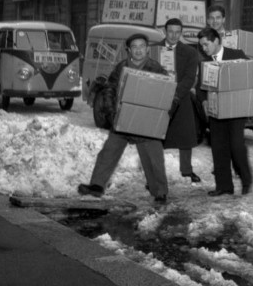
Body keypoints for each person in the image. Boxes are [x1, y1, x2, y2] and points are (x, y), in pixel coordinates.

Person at [78, 33, 170, 203]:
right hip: (123, 118)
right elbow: (110, 90)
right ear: (128, 50)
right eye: (134, 47)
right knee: (109, 151)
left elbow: (166, 91)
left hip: (146, 120)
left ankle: (160, 192)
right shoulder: (121, 67)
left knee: (153, 157)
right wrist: (113, 114)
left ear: (147, 49)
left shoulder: (156, 68)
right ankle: (97, 185)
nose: (138, 50)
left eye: (142, 46)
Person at [197, 27, 253, 196]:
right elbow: (200, 87)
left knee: (236, 146)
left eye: (206, 44)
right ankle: (224, 186)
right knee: (219, 148)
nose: (204, 49)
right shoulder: (205, 62)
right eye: (201, 46)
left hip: (235, 110)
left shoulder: (236, 54)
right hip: (216, 111)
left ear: (216, 41)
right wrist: (204, 100)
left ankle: (246, 180)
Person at [160, 18, 202, 183]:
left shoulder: (190, 53)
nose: (174, 35)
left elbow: (190, 77)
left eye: (178, 32)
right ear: (165, 31)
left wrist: (175, 94)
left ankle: (186, 170)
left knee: (186, 138)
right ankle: (156, 173)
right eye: (171, 31)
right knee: (157, 137)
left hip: (181, 99)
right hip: (159, 99)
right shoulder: (155, 49)